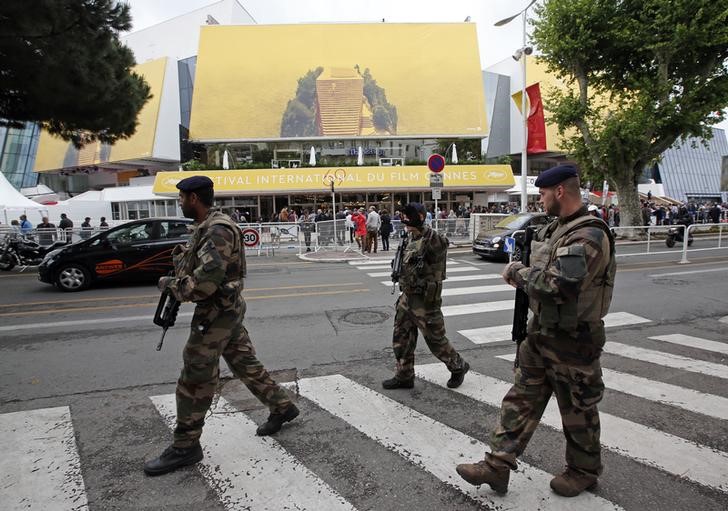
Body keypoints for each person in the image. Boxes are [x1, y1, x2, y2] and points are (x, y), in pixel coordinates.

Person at [456, 164, 616, 498]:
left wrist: (516, 272)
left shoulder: (589, 234)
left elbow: (560, 285)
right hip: (541, 334)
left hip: (573, 342)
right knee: (520, 399)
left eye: (543, 194)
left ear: (560, 191)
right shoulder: (559, 229)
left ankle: (583, 471)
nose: (541, 200)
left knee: (577, 410)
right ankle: (497, 466)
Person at [145, 176, 299, 476]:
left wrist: (169, 284)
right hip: (225, 311)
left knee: (195, 377)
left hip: (216, 314)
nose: (179, 203)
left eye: (181, 198)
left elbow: (203, 285)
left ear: (193, 199)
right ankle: (282, 407)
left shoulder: (217, 230)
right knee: (246, 364)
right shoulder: (209, 227)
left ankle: (185, 446)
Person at [382, 202, 469, 390]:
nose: (405, 222)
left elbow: (440, 244)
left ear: (420, 217)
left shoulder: (433, 239)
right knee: (401, 337)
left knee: (435, 340)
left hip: (425, 301)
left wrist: (420, 222)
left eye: (409, 217)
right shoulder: (409, 237)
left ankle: (458, 366)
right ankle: (404, 375)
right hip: (407, 297)